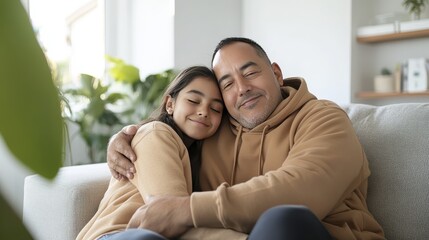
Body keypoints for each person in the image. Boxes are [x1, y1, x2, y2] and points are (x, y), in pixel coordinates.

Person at [107, 37, 385, 239]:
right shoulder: (216, 126)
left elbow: (301, 191)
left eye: (250, 72)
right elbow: (171, 131)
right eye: (227, 84)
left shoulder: (323, 118)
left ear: (276, 74)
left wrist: (187, 209)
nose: (242, 89)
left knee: (284, 219)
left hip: (309, 233)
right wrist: (127, 135)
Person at [76, 66, 224, 240]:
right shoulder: (156, 133)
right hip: (119, 234)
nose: (204, 112)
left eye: (215, 109)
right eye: (193, 100)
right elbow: (173, 215)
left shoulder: (201, 155)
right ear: (170, 104)